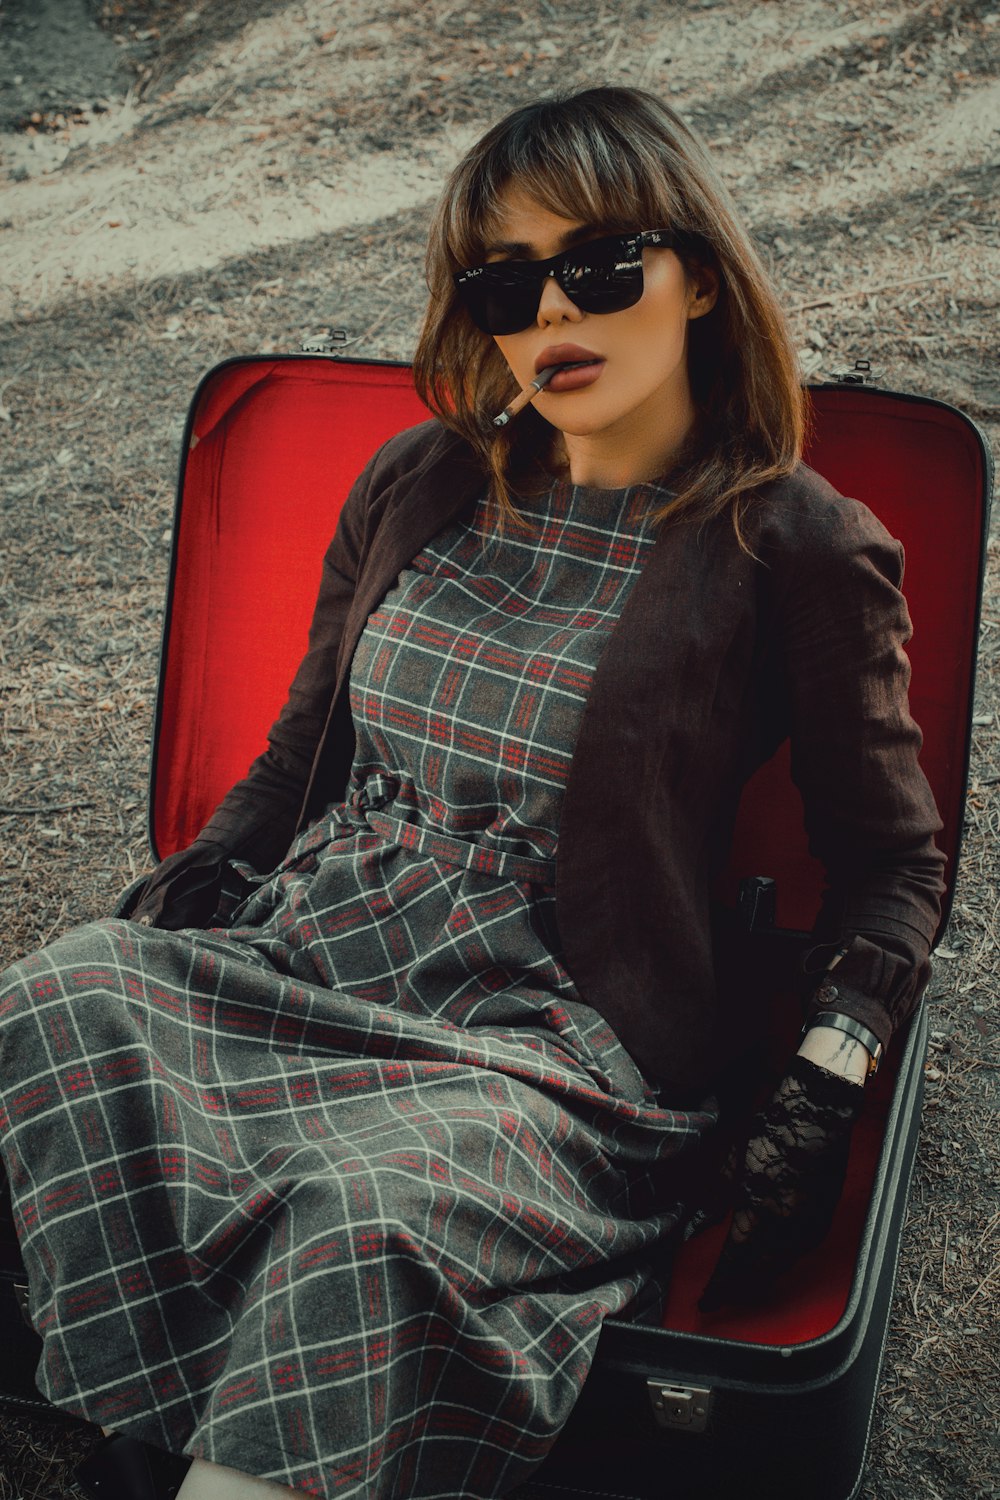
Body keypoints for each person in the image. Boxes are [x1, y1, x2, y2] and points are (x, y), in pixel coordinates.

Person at [0, 86, 945, 1500]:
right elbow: (299, 746)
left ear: (695, 276)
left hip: (548, 1031)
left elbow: (892, 865)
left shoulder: (797, 541)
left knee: (365, 1221)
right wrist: (188, 893)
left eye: (602, 265)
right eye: (506, 281)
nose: (554, 311)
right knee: (59, 999)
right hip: (313, 953)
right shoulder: (418, 476)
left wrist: (832, 1065)